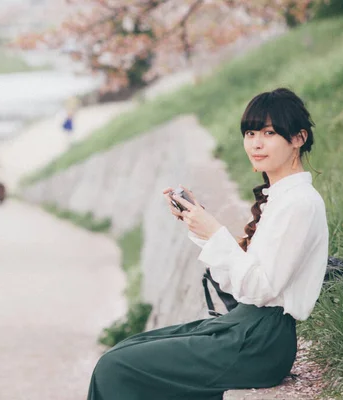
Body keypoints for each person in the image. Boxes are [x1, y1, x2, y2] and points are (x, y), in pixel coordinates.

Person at [86, 88, 329, 400]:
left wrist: (214, 233)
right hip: (246, 328)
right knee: (125, 350)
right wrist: (200, 227)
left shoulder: (300, 204)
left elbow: (259, 289)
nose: (255, 143)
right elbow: (237, 283)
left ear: (298, 138)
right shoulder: (281, 198)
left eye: (269, 133)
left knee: (116, 366)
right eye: (250, 132)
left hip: (261, 343)